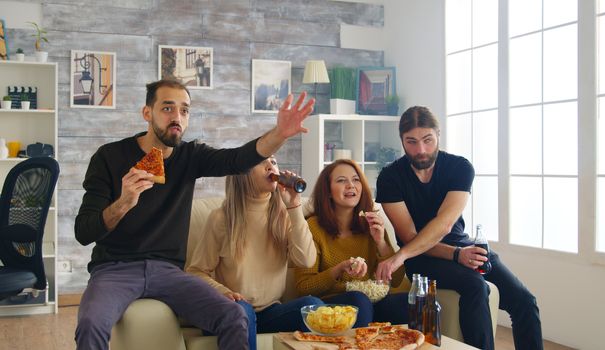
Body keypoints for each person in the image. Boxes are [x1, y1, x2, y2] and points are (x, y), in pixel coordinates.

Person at [73, 79, 314, 350]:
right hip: (114, 269)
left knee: (234, 315)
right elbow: (83, 232)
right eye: (167, 108)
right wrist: (124, 202)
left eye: (184, 110)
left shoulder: (191, 155)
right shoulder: (109, 157)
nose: (177, 117)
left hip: (168, 271)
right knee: (90, 324)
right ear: (147, 113)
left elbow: (237, 159)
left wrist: (279, 133)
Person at [374, 106, 543, 350]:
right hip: (420, 256)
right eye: (411, 141)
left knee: (524, 301)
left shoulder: (459, 167)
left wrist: (459, 252)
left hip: (460, 246)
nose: (420, 149)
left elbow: (445, 224)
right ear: (401, 140)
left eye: (427, 140)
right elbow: (410, 237)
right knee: (475, 285)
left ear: (438, 135)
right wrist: (452, 254)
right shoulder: (390, 177)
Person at [186, 156, 322, 350]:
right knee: (242, 311)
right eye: (261, 161)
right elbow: (195, 271)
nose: (270, 166)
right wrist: (223, 292)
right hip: (230, 312)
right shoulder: (221, 219)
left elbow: (306, 260)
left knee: (314, 306)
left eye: (274, 162)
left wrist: (294, 206)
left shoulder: (284, 215)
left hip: (270, 312)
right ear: (241, 172)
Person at [295, 159, 409, 328]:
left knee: (411, 302)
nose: (351, 185)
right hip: (331, 306)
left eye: (356, 180)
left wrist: (380, 243)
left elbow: (398, 279)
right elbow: (303, 287)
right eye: (341, 180)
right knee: (358, 300)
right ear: (327, 192)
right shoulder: (313, 227)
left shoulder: (372, 224)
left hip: (373, 302)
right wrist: (339, 269)